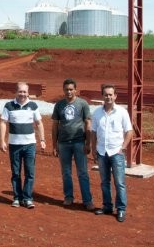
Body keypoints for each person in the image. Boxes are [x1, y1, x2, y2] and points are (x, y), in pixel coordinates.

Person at [90, 83, 134, 222]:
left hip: (116, 152)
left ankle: (121, 209)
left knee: (119, 182)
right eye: (106, 94)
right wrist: (93, 149)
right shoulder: (97, 113)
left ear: (115, 96)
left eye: (111, 94)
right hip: (102, 152)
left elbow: (129, 131)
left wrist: (123, 147)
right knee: (104, 182)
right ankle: (107, 206)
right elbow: (93, 132)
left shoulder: (122, 112)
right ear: (102, 96)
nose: (108, 97)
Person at [0, 82, 46, 209]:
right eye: (20, 91)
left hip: (30, 144)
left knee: (30, 172)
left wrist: (42, 139)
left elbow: (39, 123)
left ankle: (27, 198)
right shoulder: (9, 106)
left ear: (28, 92)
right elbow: (3, 122)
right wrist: (2, 140)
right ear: (16, 92)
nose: (22, 94)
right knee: (16, 173)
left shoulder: (33, 105)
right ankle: (17, 198)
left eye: (25, 92)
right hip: (14, 144)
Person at [51, 78, 94, 210]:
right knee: (66, 172)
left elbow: (88, 123)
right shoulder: (59, 105)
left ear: (75, 90)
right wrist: (54, 145)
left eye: (71, 89)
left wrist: (88, 143)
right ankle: (68, 197)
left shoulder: (82, 104)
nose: (68, 92)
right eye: (66, 89)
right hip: (63, 143)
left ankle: (87, 200)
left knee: (82, 172)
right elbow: (55, 126)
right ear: (63, 90)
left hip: (79, 142)